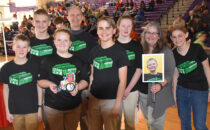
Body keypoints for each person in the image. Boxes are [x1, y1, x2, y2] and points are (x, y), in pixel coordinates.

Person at [37, 29, 89, 130]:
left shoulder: (78, 61)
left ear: (70, 43)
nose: (62, 43)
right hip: (53, 107)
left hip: (74, 107)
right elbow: (40, 81)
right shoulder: (47, 60)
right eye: (59, 40)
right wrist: (49, 84)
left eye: (65, 40)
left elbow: (85, 80)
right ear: (54, 42)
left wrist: (78, 87)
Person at [88, 16, 129, 130]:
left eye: (107, 28)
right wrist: (89, 97)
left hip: (111, 101)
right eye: (101, 28)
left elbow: (122, 81)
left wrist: (117, 104)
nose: (104, 31)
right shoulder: (94, 51)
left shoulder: (120, 52)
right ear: (97, 31)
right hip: (94, 99)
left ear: (114, 30)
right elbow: (92, 75)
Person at [171, 26, 210, 130]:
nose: (177, 39)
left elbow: (207, 68)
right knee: (185, 125)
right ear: (171, 39)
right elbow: (175, 75)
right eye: (174, 37)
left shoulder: (197, 48)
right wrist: (174, 95)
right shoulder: (173, 54)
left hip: (200, 91)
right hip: (182, 91)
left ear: (186, 35)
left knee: (200, 126)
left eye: (180, 36)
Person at [1, 34, 42, 130]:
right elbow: (5, 90)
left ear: (29, 49)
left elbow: (39, 87)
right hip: (15, 110)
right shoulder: (6, 68)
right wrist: (7, 111)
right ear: (13, 47)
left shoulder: (35, 66)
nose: (21, 50)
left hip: (32, 110)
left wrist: (39, 108)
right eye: (18, 46)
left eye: (24, 47)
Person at [139, 22, 175, 130]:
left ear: (159, 35)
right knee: (149, 121)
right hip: (143, 93)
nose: (151, 36)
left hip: (158, 93)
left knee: (156, 124)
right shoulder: (140, 50)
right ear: (144, 34)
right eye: (148, 32)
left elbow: (169, 73)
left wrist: (160, 84)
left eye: (155, 33)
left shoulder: (166, 51)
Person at [67, 6, 97, 130]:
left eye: (78, 15)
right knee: (69, 121)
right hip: (67, 85)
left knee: (86, 120)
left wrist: (92, 79)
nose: (75, 18)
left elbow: (94, 62)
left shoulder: (89, 39)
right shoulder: (61, 38)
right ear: (67, 17)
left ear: (82, 17)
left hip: (84, 85)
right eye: (72, 15)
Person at [116, 15, 143, 130]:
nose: (126, 29)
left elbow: (139, 69)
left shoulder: (137, 46)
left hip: (131, 90)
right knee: (114, 122)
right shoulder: (112, 45)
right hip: (114, 90)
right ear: (118, 26)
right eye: (123, 26)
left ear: (132, 27)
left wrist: (128, 89)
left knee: (129, 123)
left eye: (129, 26)